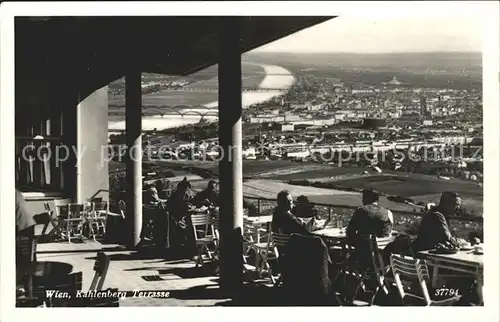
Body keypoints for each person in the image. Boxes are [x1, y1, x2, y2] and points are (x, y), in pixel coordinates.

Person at [166, 177, 196, 258]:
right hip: (177, 219)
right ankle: (188, 250)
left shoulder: (183, 195)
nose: (186, 191)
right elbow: (174, 209)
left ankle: (189, 249)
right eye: (186, 189)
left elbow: (190, 202)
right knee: (189, 230)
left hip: (183, 217)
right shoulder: (175, 197)